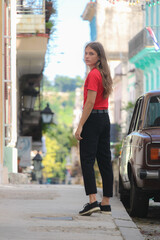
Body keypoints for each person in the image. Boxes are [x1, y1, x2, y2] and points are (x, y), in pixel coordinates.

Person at [75, 42, 113, 216]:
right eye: (85, 53)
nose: (86, 56)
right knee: (105, 160)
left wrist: (80, 125)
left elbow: (89, 103)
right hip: (105, 118)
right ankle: (105, 202)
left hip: (93, 119)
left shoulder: (93, 75)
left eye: (91, 53)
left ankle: (92, 201)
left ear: (99, 57)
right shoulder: (104, 74)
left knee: (87, 160)